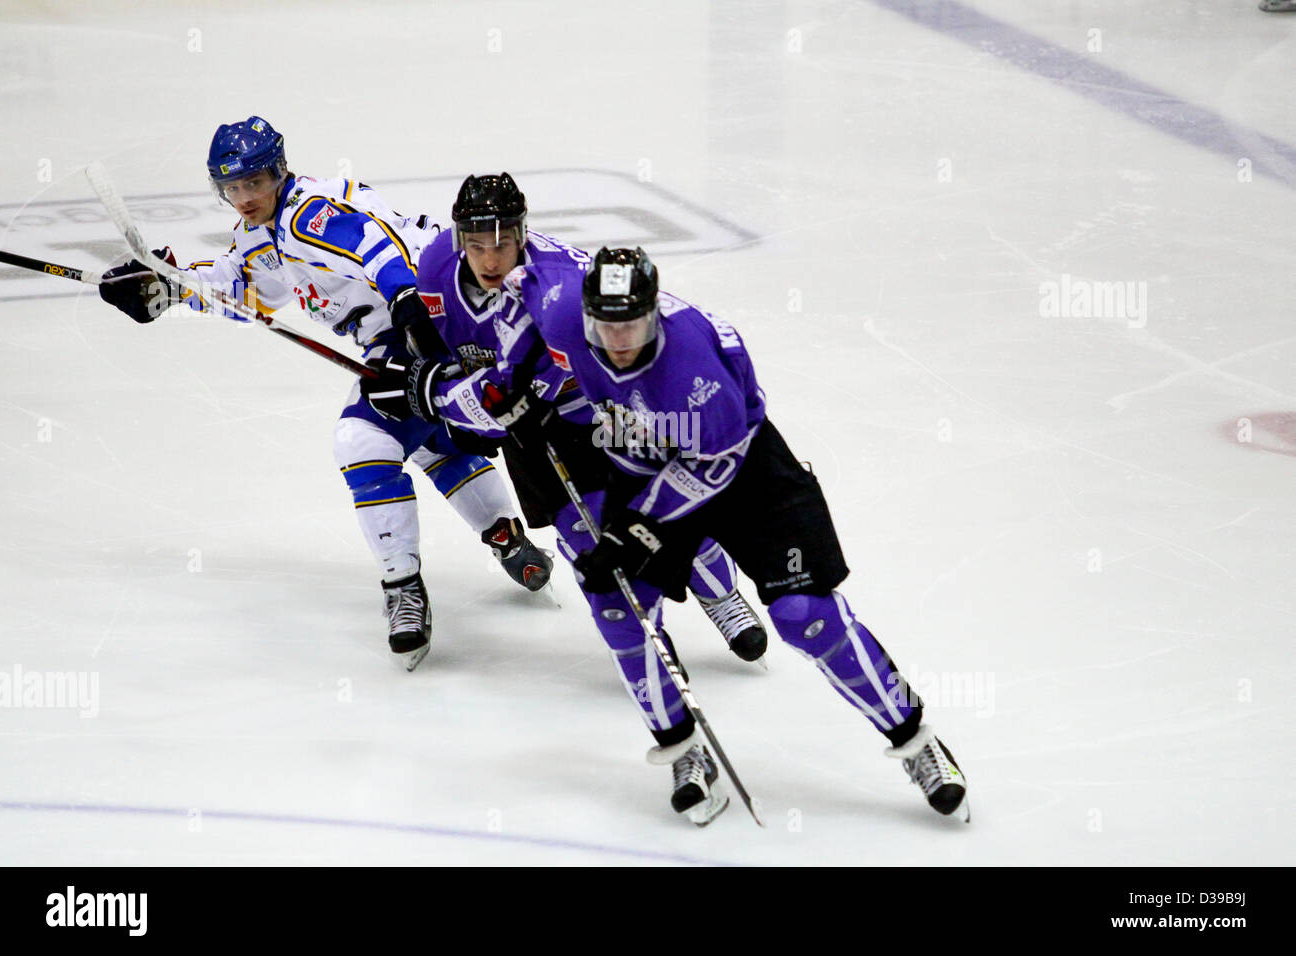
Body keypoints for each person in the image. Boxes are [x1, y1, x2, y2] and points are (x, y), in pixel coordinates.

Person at [400, 246, 972, 824]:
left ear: (656, 315)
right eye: (606, 326)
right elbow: (520, 297)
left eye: (633, 325)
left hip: (743, 470)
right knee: (618, 607)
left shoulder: (694, 368)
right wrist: (506, 384)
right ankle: (683, 749)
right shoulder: (563, 305)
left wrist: (633, 532)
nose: (619, 342)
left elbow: (710, 470)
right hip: (643, 458)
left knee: (806, 614)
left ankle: (919, 743)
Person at [95, 116, 551, 670]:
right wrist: (168, 288)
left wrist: (407, 303)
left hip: (432, 314)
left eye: (254, 183)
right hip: (411, 322)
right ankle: (505, 536)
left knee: (363, 438)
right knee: (427, 431)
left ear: (279, 171)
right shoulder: (264, 232)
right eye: (232, 188)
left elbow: (372, 244)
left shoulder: (307, 212)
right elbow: (244, 292)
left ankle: (402, 586)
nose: (244, 198)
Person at [361, 173, 769, 679]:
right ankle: (643, 644)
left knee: (657, 515)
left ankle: (722, 597)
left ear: (523, 235)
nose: (490, 259)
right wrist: (427, 369)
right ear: (459, 237)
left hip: (600, 415)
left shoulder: (559, 287)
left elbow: (535, 384)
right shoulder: (437, 264)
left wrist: (436, 395)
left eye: (503, 244)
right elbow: (452, 352)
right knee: (581, 535)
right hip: (521, 420)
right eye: (477, 244)